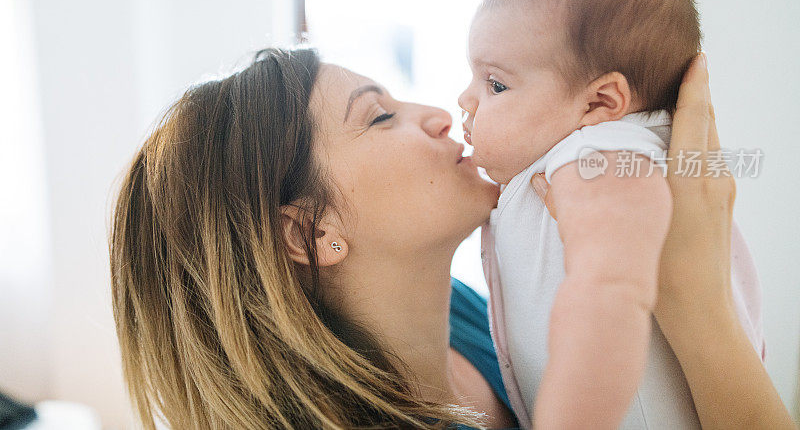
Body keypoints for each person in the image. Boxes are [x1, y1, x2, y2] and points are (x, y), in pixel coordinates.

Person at [109, 47, 795, 429]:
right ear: (310, 229)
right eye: (379, 117)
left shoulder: (469, 312)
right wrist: (698, 297)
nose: (440, 114)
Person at [457, 0, 764, 429]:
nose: (465, 100)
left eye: (495, 83)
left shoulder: (596, 154)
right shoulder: (587, 151)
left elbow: (609, 293)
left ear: (601, 103)